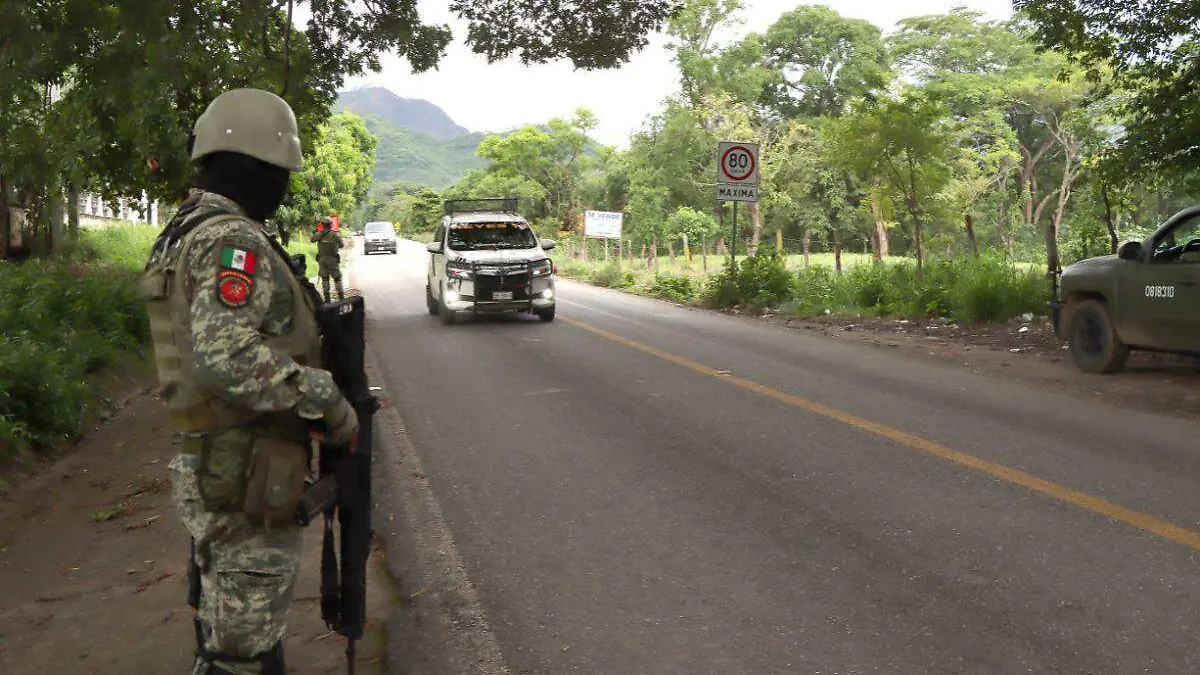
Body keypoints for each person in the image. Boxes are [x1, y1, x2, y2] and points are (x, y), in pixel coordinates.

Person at [138, 88, 359, 675]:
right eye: (280, 172)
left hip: (223, 463)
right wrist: (328, 401)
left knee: (227, 637)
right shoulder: (231, 240)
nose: (284, 186)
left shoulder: (184, 230)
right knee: (243, 654)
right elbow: (226, 356)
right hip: (243, 474)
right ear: (255, 167)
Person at [310, 216, 345, 302]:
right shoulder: (335, 235)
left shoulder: (319, 234)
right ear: (331, 225)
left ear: (322, 225)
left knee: (325, 278)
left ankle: (327, 299)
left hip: (322, 259)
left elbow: (312, 240)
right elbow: (341, 245)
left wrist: (317, 233)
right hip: (333, 259)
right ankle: (341, 298)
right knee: (337, 278)